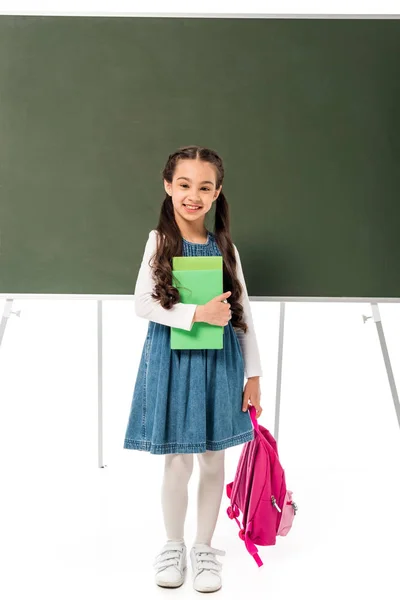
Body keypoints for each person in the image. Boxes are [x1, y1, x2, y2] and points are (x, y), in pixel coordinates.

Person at [123, 145, 263, 593]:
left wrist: (254, 376)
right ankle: (172, 545)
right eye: (184, 185)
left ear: (218, 192)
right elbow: (143, 303)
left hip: (220, 363)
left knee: (213, 457)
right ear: (168, 187)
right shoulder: (159, 241)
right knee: (178, 460)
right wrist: (195, 314)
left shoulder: (225, 247)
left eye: (205, 187)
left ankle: (205, 549)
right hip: (173, 359)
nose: (193, 195)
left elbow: (242, 313)